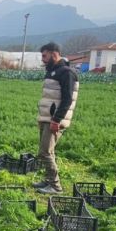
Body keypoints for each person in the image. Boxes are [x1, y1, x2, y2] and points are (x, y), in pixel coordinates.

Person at [33, 42, 79, 195]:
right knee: (48, 151)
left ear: (54, 54)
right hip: (47, 117)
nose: (43, 59)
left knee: (45, 152)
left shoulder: (66, 72)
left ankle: (55, 186)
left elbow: (67, 99)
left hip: (54, 119)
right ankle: (48, 180)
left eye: (45, 56)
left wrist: (56, 120)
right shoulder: (53, 71)